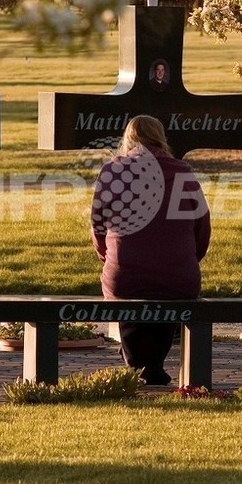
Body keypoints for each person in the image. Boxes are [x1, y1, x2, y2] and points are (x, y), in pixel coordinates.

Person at [90, 115, 211, 385]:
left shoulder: (112, 171)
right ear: (160, 137)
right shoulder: (182, 171)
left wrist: (107, 257)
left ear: (128, 138)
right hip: (178, 277)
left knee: (129, 290)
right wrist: (188, 259)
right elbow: (202, 225)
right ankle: (150, 365)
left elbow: (97, 224)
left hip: (125, 275)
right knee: (166, 288)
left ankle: (140, 366)